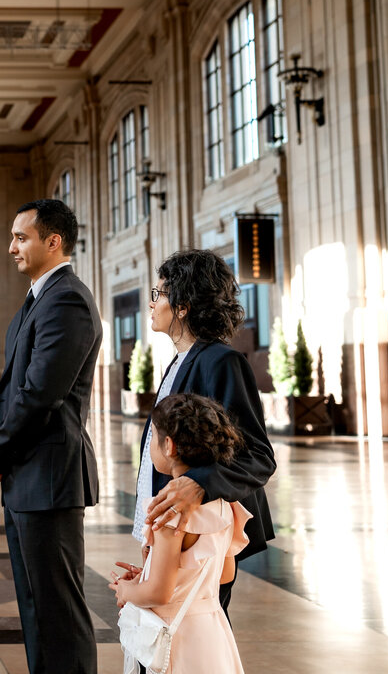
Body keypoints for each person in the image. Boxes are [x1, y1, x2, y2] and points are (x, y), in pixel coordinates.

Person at [0, 199, 101, 674]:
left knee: (58, 611)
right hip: (28, 478)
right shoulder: (39, 299)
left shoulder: (67, 298)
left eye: (21, 237)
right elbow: (11, 386)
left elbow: (41, 394)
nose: (11, 247)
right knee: (36, 608)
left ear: (53, 241)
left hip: (49, 478)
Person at [136, 249, 276, 614]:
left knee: (198, 632)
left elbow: (259, 456)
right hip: (175, 531)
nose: (151, 304)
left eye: (159, 295)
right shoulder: (180, 360)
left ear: (182, 306)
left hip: (202, 534)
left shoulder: (221, 361)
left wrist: (199, 483)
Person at [111, 393, 251, 674]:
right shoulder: (226, 504)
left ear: (168, 445)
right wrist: (149, 572)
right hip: (211, 632)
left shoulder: (170, 512)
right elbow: (224, 575)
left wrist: (128, 590)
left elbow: (159, 593)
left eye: (152, 436)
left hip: (175, 638)